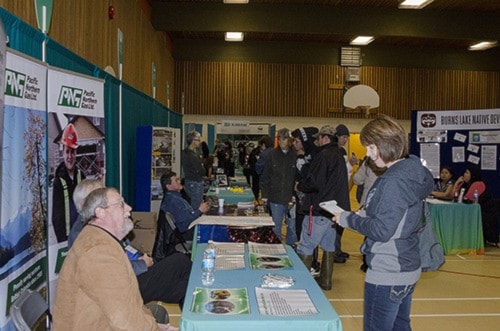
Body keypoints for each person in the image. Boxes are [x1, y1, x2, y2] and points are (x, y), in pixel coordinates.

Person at [331, 115, 434, 331]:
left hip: (389, 269)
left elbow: (382, 230)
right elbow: (399, 212)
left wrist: (348, 218)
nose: (367, 154)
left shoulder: (393, 181)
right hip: (407, 264)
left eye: (370, 147)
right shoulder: (411, 170)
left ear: (385, 144)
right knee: (400, 325)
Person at [53, 187, 177, 330]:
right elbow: (126, 323)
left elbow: (127, 308)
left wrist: (156, 326)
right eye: (121, 204)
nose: (129, 208)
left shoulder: (99, 239)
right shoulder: (98, 252)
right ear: (100, 212)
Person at [68, 180, 191, 308]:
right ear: (85, 204)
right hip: (121, 286)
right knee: (180, 262)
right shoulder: (83, 235)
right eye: (96, 195)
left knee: (184, 286)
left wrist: (142, 257)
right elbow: (111, 273)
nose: (128, 209)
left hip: (132, 272)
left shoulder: (99, 228)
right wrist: (143, 264)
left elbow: (127, 248)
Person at [295, 125, 350, 290]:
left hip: (319, 210)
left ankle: (301, 284)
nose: (317, 142)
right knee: (329, 246)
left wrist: (300, 186)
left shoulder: (324, 155)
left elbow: (315, 182)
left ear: (325, 138)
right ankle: (325, 280)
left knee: (306, 244)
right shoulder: (339, 155)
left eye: (318, 138)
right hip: (334, 212)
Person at [291, 126, 321, 276]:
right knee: (300, 232)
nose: (294, 144)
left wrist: (300, 185)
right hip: (300, 201)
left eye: (297, 141)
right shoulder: (298, 156)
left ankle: (313, 264)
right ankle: (305, 261)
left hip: (311, 202)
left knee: (310, 234)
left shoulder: (316, 156)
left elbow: (314, 181)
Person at [260, 128, 297, 246]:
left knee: (292, 227)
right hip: (275, 198)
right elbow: (265, 176)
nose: (281, 141)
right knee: (276, 227)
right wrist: (264, 195)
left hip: (291, 198)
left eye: (284, 139)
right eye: (279, 139)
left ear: (289, 140)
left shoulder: (295, 155)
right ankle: (277, 251)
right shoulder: (272, 155)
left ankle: (291, 251)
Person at [52, 123, 86, 243]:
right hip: (66, 239)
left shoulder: (81, 176)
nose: (70, 156)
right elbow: (56, 217)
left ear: (76, 153)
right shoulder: (58, 182)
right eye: (67, 152)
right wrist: (62, 241)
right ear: (63, 153)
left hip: (82, 234)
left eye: (73, 152)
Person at [351, 157, 386, 272]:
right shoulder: (390, 159)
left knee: (368, 232)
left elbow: (357, 180)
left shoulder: (368, 162)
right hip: (384, 202)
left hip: (368, 201)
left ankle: (367, 262)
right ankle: (380, 261)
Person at [156, 170, 210, 243]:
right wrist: (200, 210)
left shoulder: (173, 197)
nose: (179, 182)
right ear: (169, 186)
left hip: (187, 229)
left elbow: (186, 214)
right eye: (176, 180)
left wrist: (199, 210)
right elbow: (184, 222)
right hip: (186, 233)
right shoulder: (174, 200)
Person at [453, 166, 498, 246]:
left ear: (472, 175)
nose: (464, 174)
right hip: (474, 211)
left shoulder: (478, 184)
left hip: (485, 212)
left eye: (467, 173)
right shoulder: (466, 185)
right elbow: (455, 197)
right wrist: (457, 184)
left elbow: (467, 199)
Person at [333, 124, 358, 263]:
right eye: (344, 137)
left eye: (347, 138)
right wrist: (349, 165)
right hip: (335, 194)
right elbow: (338, 174)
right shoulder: (333, 152)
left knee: (341, 222)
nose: (345, 140)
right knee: (336, 223)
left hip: (342, 193)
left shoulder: (342, 152)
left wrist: (350, 165)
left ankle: (337, 249)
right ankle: (334, 251)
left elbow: (345, 174)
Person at [181, 130, 205, 209]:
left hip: (189, 181)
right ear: (193, 141)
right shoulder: (193, 156)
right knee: (197, 206)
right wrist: (201, 165)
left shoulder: (184, 152)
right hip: (195, 183)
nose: (200, 142)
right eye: (198, 140)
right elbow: (201, 171)